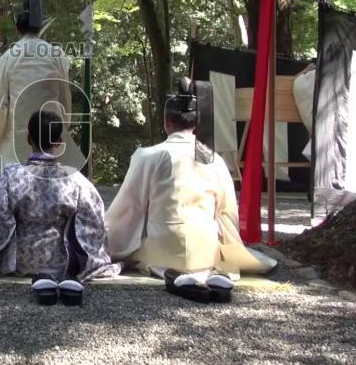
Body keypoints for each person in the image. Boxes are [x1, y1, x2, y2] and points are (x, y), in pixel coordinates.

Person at [105, 88, 277, 285]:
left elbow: (129, 207)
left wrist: (106, 237)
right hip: (205, 254)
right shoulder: (214, 160)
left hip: (162, 255)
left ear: (167, 122)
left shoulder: (149, 156)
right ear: (196, 124)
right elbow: (226, 212)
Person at [0, 110, 120, 305]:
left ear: (29, 139)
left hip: (18, 262)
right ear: (59, 142)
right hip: (61, 263)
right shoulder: (74, 179)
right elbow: (94, 221)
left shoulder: (11, 176)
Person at [0, 0, 84, 171]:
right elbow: (65, 100)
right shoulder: (57, 56)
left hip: (15, 146)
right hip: (50, 144)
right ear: (40, 28)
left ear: (18, 29)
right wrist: (61, 129)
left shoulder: (8, 58)